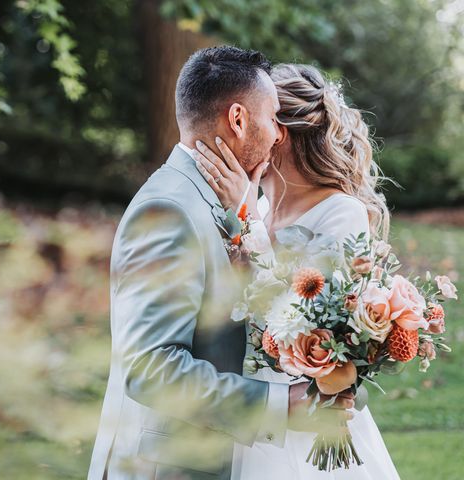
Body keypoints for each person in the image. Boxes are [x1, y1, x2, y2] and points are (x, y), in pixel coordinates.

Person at [88, 48, 355, 480]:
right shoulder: (169, 208)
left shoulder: (207, 199)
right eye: (272, 119)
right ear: (237, 120)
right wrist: (279, 405)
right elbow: (150, 367)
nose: (276, 135)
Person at [192, 63, 399, 479]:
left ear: (277, 131)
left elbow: (302, 320)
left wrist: (242, 216)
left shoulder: (342, 212)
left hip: (309, 415)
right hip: (261, 409)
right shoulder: (263, 205)